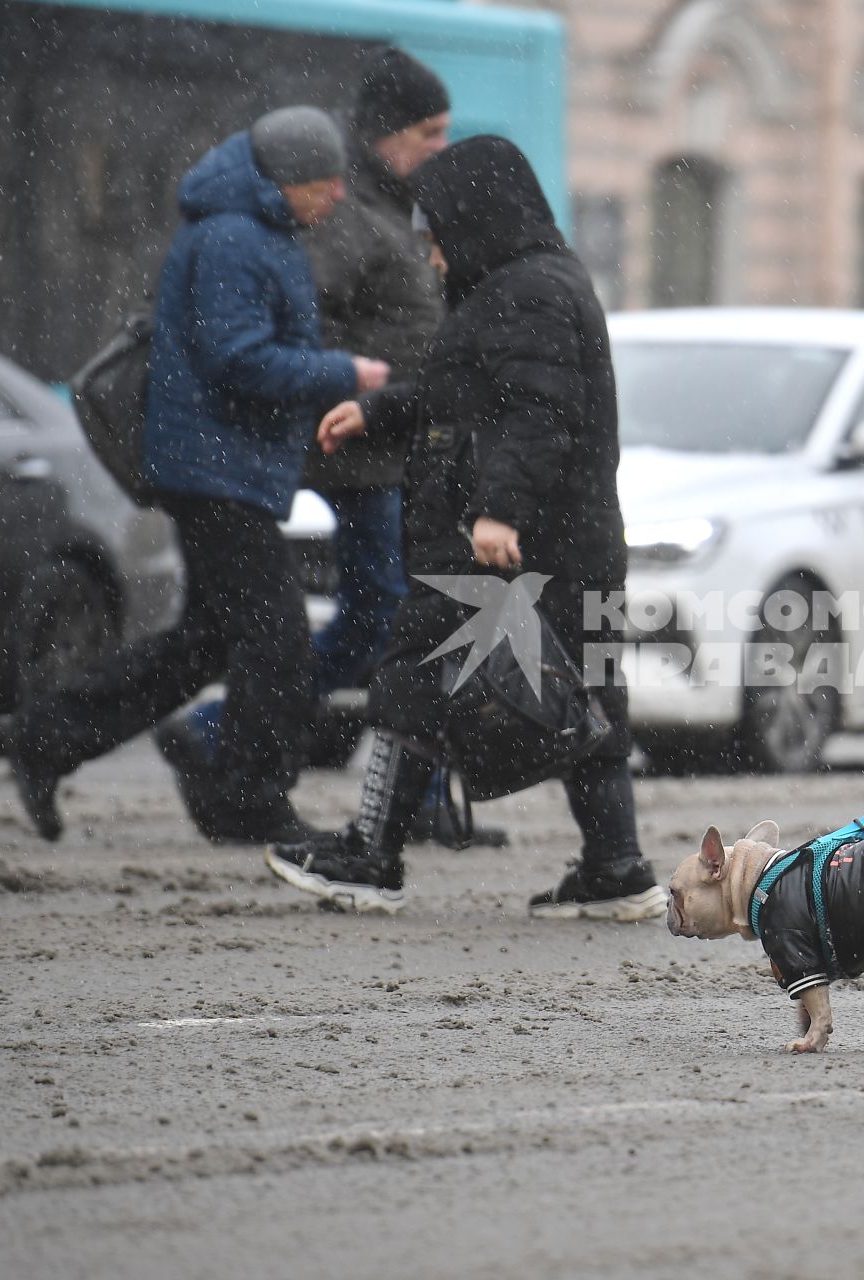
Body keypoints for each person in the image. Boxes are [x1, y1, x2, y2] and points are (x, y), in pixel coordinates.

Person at [264, 136, 665, 921]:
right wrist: (377, 411)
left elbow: (539, 414)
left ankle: (370, 855)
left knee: (416, 673)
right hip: (573, 544)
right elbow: (465, 392)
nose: (431, 250)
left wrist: (498, 511)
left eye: (436, 231)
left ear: (476, 219)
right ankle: (616, 868)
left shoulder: (527, 293)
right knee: (590, 695)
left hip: (510, 551)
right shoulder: (531, 284)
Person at [7, 106, 388, 844]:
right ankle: (249, 801)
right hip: (213, 471)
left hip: (225, 466)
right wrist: (344, 371)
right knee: (276, 640)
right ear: (286, 181)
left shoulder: (256, 232)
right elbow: (236, 357)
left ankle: (49, 736)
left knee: (211, 638)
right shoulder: (231, 239)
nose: (338, 196)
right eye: (325, 182)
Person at [158, 51, 507, 847]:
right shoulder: (344, 214)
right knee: (384, 614)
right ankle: (224, 732)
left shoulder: (393, 205)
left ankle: (405, 796)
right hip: (362, 448)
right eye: (430, 132)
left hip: (402, 443)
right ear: (385, 134)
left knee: (404, 618)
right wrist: (365, 381)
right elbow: (303, 324)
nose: (440, 147)